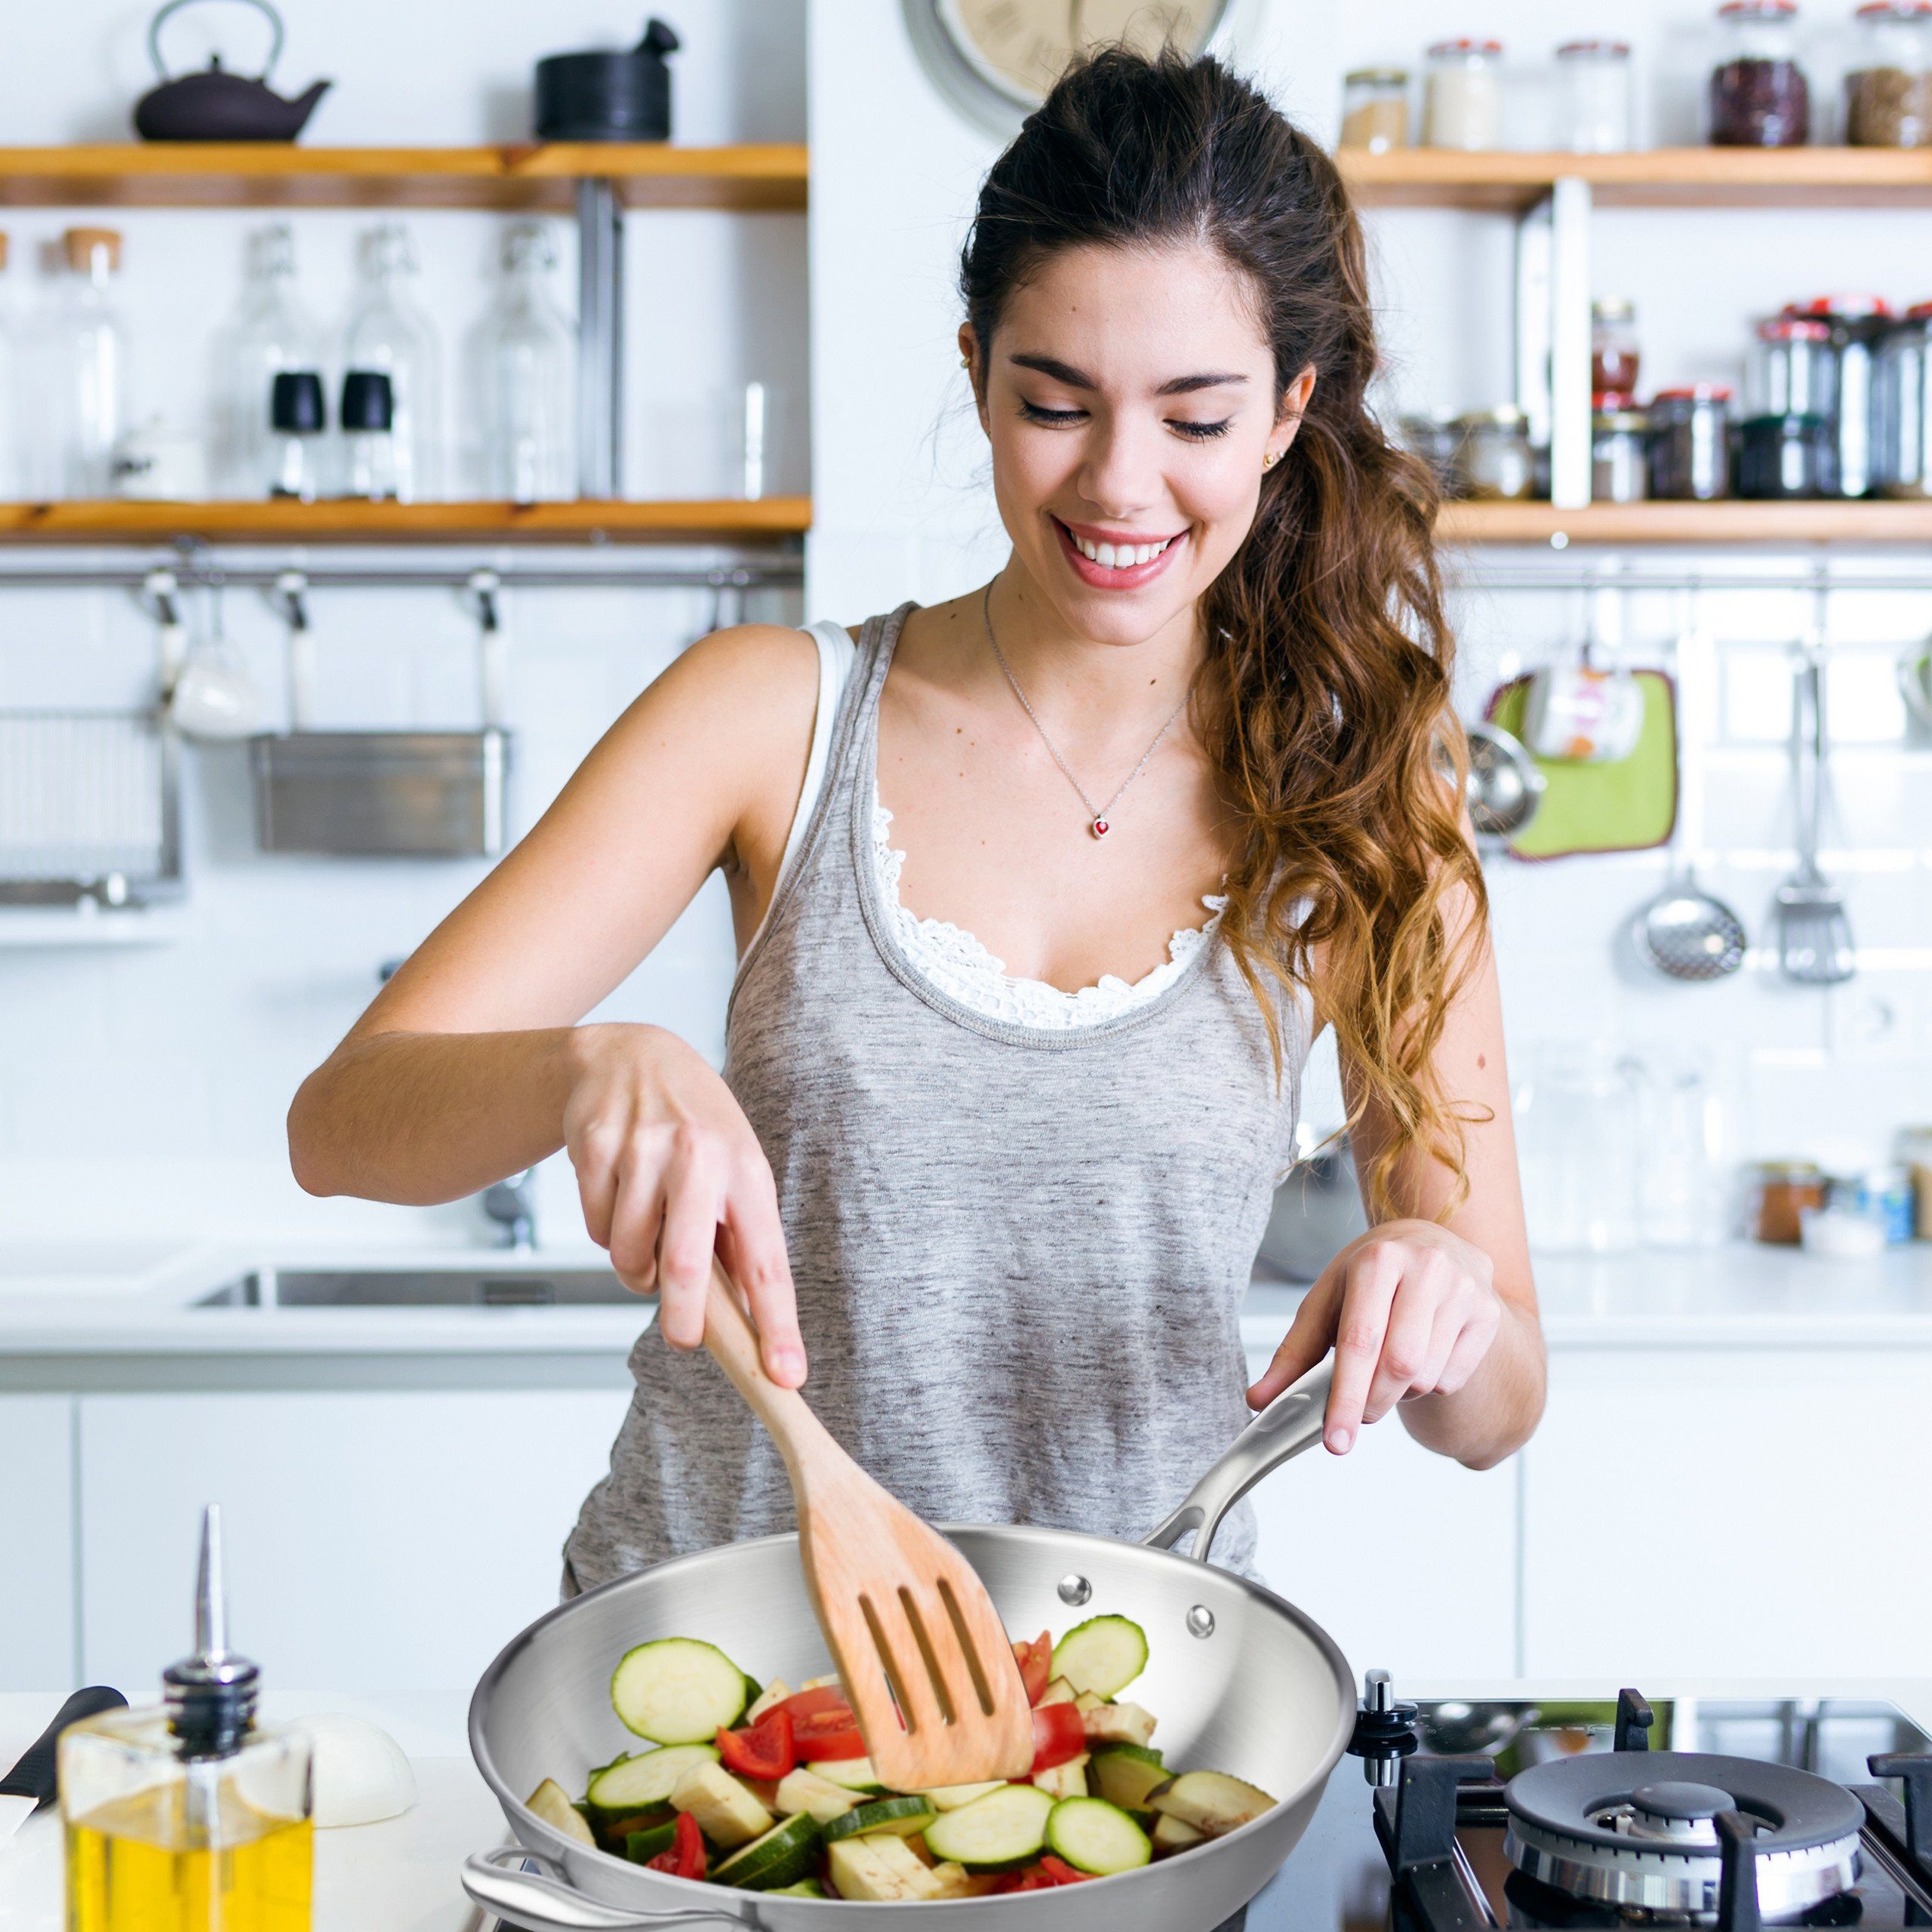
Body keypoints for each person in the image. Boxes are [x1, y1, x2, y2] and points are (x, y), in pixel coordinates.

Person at [288, 44, 1544, 1597]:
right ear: (974, 373)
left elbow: (1497, 1411)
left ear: (1287, 412)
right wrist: (582, 1063)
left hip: (1118, 1722)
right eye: (1053, 404)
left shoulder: (1357, 796)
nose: (1119, 485)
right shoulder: (766, 714)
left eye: (1195, 420)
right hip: (707, 1695)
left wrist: (1441, 1287)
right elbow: (339, 1123)